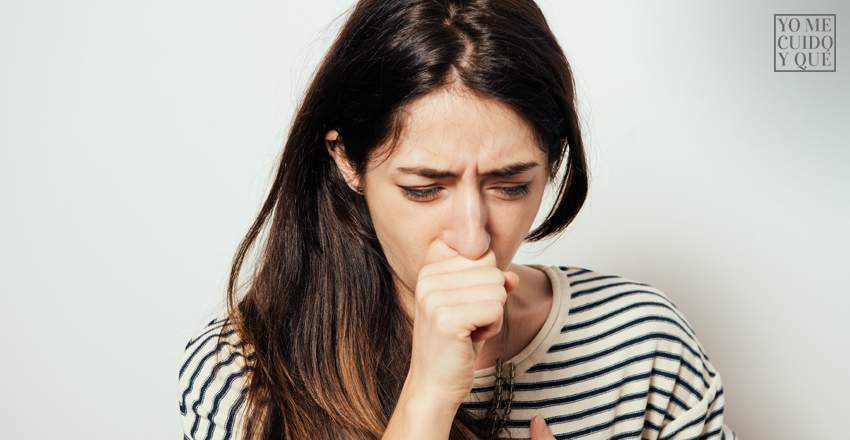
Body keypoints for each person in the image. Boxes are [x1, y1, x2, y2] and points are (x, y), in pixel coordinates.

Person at [177, 0, 737, 439]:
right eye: (424, 189)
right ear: (346, 160)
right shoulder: (246, 374)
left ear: (555, 162)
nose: (472, 238)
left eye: (511, 186)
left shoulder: (641, 343)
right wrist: (428, 396)